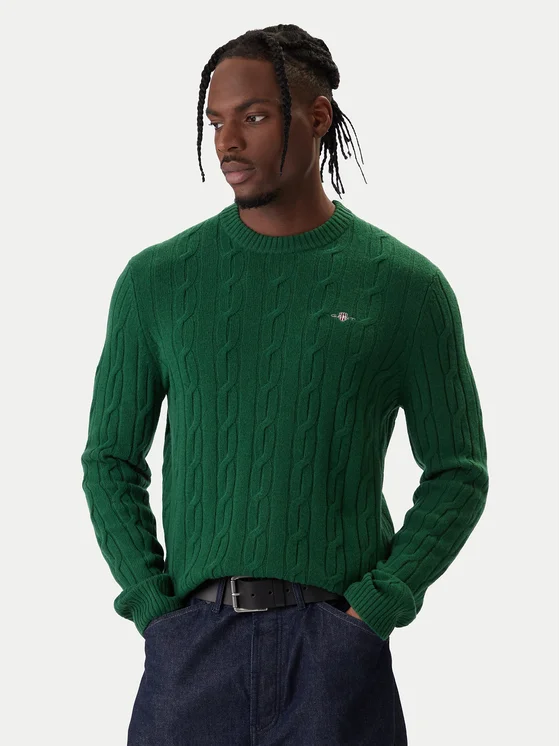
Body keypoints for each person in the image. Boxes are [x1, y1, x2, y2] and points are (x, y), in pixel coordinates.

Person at [81, 23, 489, 746]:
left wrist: (375, 608)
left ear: (317, 116)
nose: (228, 143)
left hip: (336, 658)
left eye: (255, 116)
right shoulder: (158, 281)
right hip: (191, 651)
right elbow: (110, 460)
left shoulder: (405, 287)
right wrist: (153, 607)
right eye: (216, 121)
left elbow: (458, 472)